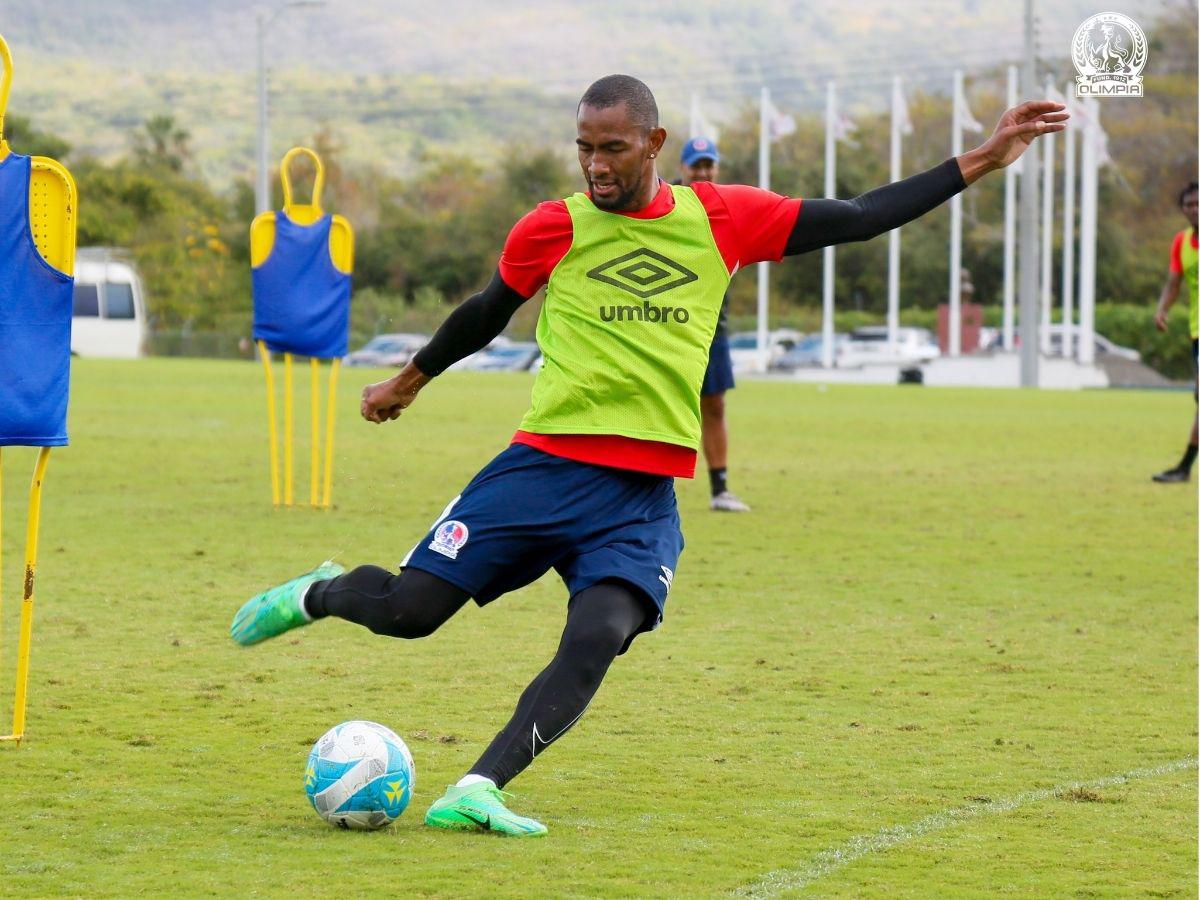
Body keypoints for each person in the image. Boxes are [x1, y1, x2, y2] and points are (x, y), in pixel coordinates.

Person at [231, 74, 1067, 836]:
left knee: (600, 632)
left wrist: (984, 158)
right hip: (543, 470)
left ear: (654, 143)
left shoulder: (722, 219)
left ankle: (478, 787)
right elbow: (486, 311)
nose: (596, 165)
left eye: (614, 147)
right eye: (585, 148)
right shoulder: (554, 226)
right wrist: (410, 379)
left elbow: (858, 215)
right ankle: (318, 593)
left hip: (639, 497)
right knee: (410, 613)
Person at [677, 136, 750, 512]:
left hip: (711, 326)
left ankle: (720, 489)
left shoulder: (725, 207)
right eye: (696, 165)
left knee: (715, 405)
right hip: (664, 323)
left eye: (709, 165)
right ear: (682, 168)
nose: (703, 172)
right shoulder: (663, 202)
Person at [1151, 181, 1198, 483]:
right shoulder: (1182, 242)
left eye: (1198, 203)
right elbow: (1173, 282)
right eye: (1189, 204)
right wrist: (1162, 310)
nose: (1194, 209)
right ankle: (1184, 468)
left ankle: (1184, 468)